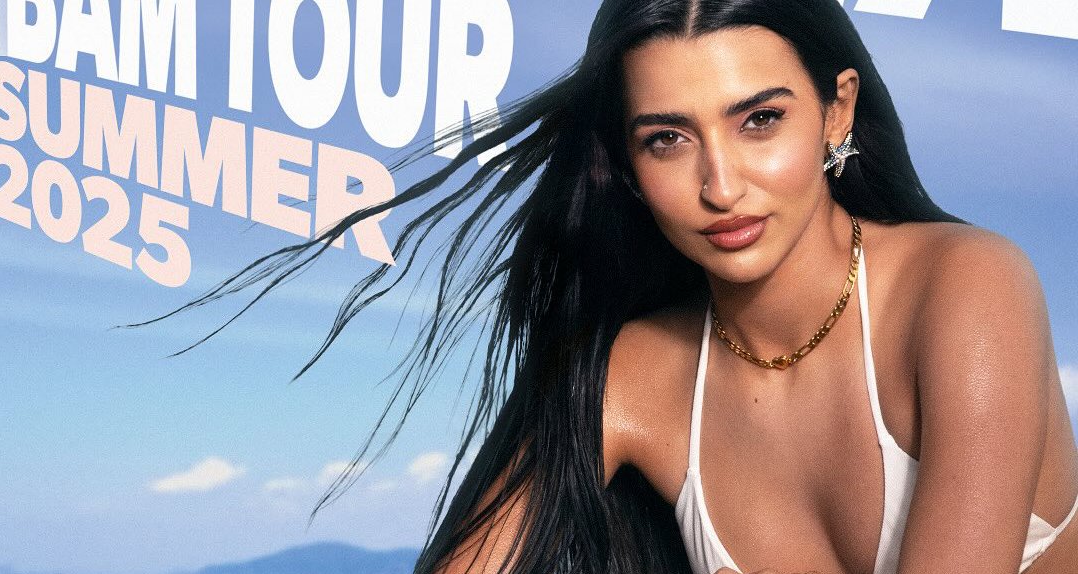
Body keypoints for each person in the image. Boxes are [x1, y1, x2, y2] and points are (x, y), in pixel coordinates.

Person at [175, 0, 1078, 572]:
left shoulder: (966, 286)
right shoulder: (638, 375)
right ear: (629, 165)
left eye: (760, 120)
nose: (721, 185)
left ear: (836, 111)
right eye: (668, 139)